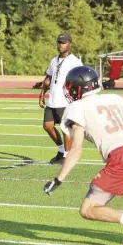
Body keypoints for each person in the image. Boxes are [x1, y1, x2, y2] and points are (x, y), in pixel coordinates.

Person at [43, 66, 123, 245]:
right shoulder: (113, 100)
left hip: (121, 157)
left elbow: (76, 150)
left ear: (77, 87)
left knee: (87, 209)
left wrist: (58, 179)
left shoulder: (77, 108)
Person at [39, 33, 83, 164]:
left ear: (70, 44)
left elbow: (81, 79)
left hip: (65, 101)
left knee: (65, 129)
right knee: (47, 126)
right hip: (52, 100)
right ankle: (61, 149)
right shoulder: (54, 60)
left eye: (63, 42)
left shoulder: (75, 62)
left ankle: (67, 156)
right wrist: (42, 93)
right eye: (59, 42)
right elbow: (48, 79)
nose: (60, 45)